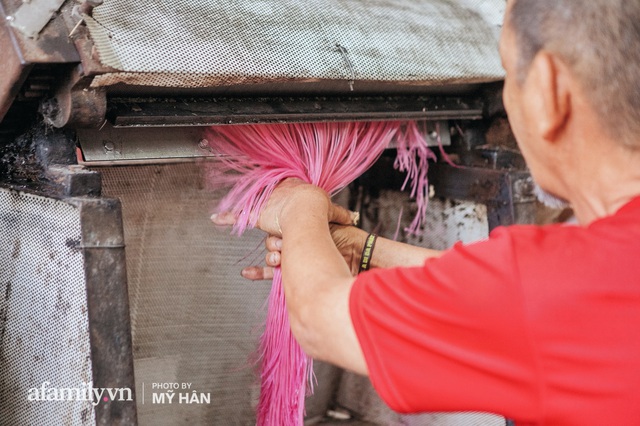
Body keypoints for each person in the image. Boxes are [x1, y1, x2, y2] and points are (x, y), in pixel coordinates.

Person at [212, 0, 640, 424]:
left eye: (511, 74)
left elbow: (321, 322)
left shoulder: (559, 287)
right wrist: (362, 250)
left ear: (550, 91)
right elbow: (507, 295)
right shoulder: (594, 274)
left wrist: (298, 205)